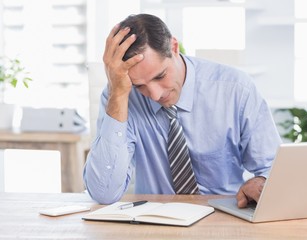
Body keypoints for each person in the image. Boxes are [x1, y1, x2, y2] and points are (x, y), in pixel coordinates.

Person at [83, 14, 282, 207]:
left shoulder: (236, 89)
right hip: (155, 221)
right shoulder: (121, 97)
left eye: (160, 76)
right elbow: (104, 193)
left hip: (224, 218)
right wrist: (117, 94)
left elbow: (273, 169)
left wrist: (262, 181)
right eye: (139, 85)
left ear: (174, 47)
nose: (154, 95)